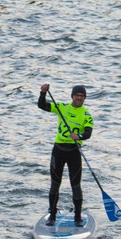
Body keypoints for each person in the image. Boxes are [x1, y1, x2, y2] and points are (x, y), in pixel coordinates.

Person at [38, 83, 92, 226]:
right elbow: (42, 106)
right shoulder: (62, 107)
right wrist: (43, 93)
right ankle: (52, 215)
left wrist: (79, 136)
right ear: (72, 96)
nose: (79, 98)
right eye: (77, 95)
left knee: (76, 186)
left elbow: (88, 133)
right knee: (55, 185)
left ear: (84, 98)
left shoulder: (86, 114)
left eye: (82, 96)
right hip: (58, 151)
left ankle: (78, 217)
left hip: (74, 152)